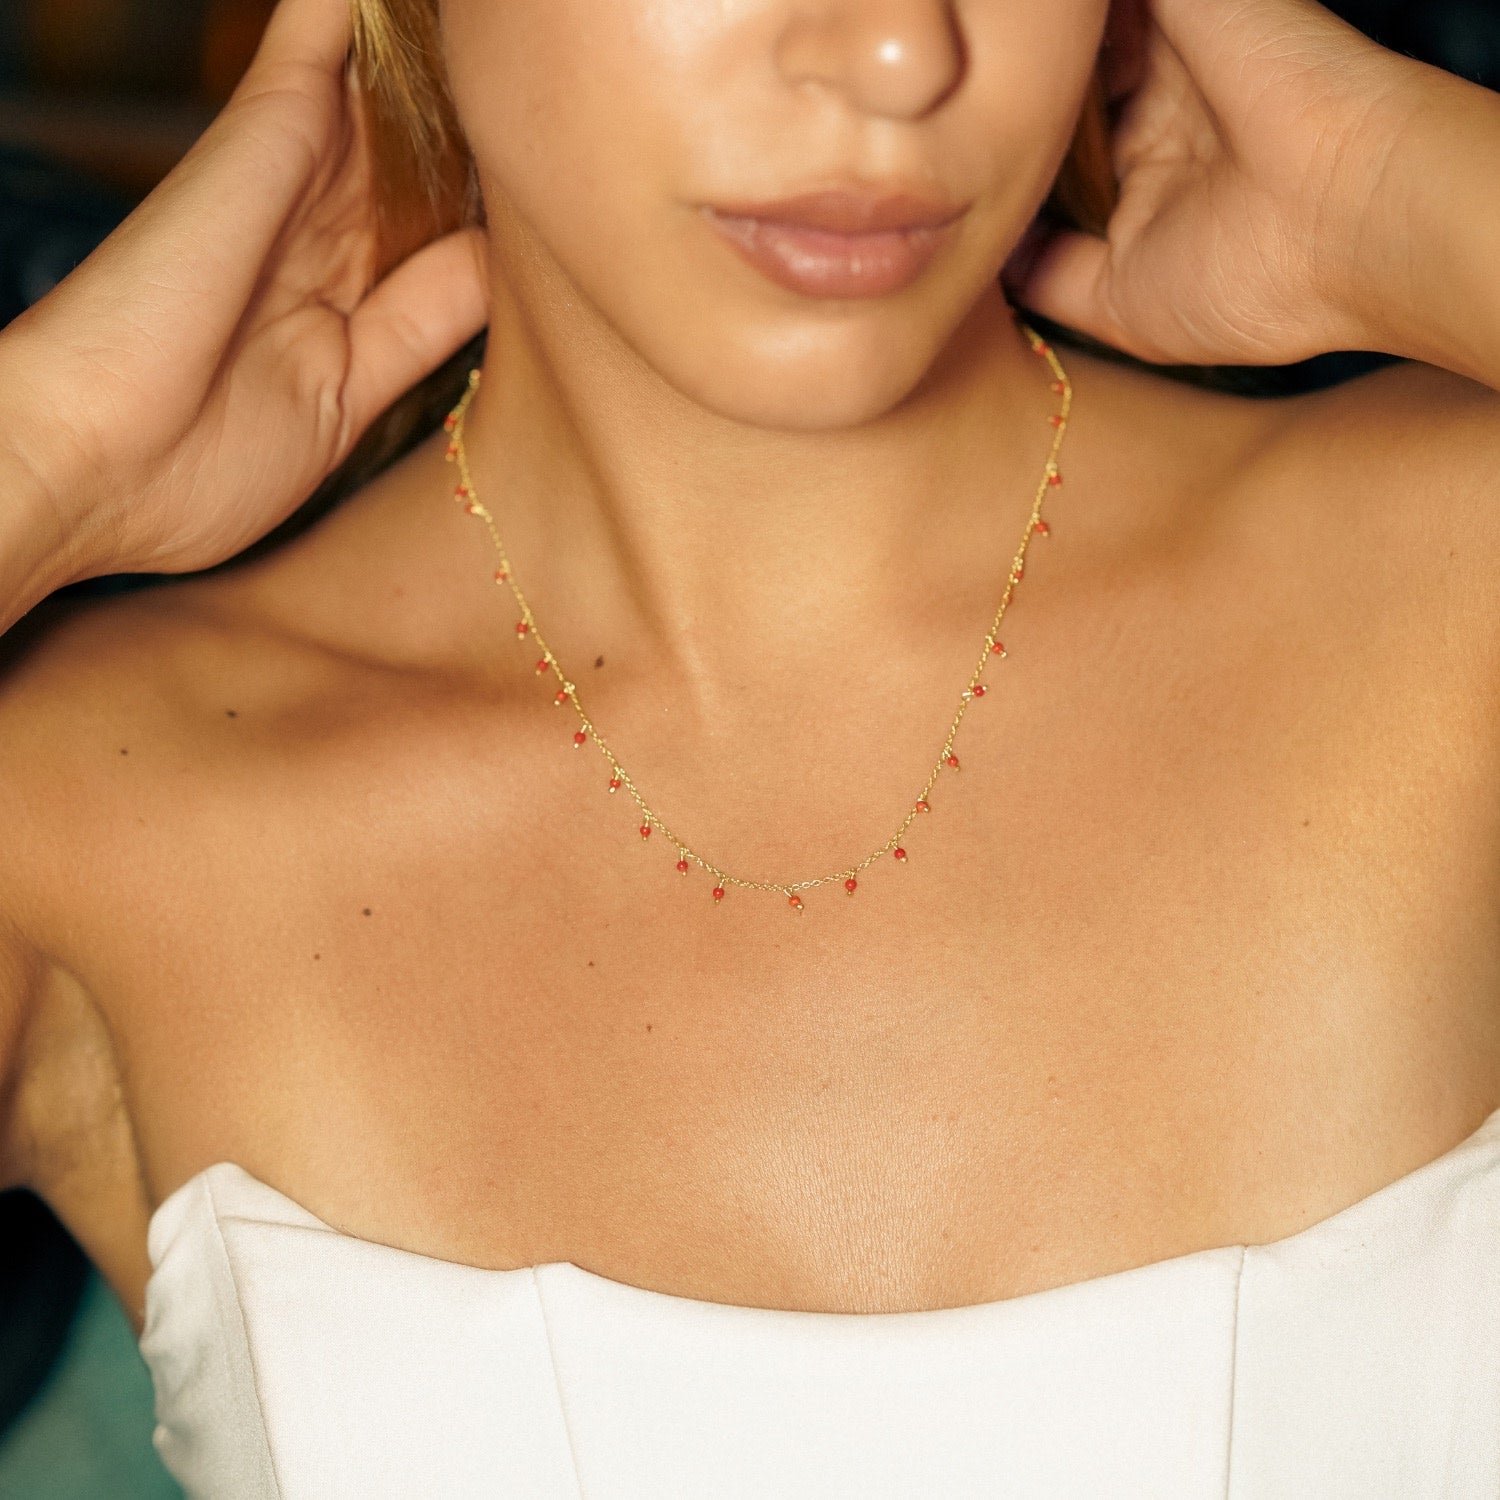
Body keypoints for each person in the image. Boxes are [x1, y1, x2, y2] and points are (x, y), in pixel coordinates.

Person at [2, 0, 1499, 1492]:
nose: (900, 56)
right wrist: (37, 461)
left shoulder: (1446, 591)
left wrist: (1387, 185)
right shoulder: (94, 810)